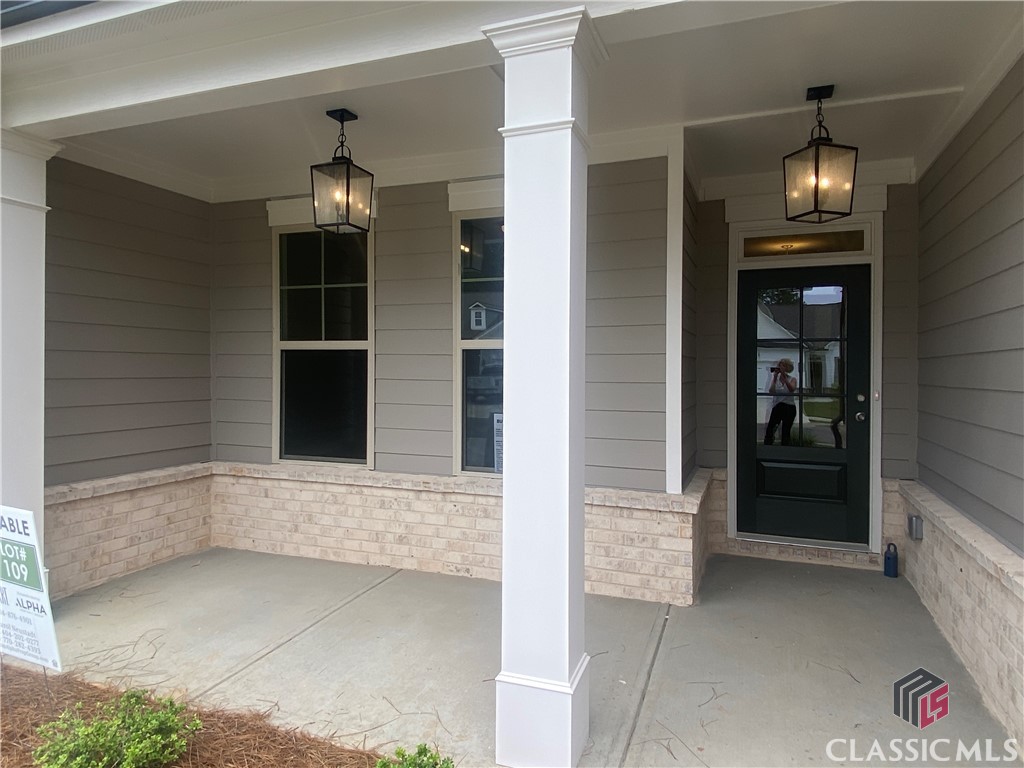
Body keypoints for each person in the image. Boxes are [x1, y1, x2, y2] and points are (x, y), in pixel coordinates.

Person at [763, 358, 797, 445]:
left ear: (787, 368)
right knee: (770, 428)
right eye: (779, 366)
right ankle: (768, 445)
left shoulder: (792, 379)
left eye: (783, 366)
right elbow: (771, 391)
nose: (780, 367)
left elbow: (791, 389)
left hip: (789, 407)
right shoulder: (776, 380)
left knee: (786, 431)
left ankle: (785, 448)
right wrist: (774, 377)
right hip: (778, 407)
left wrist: (784, 378)